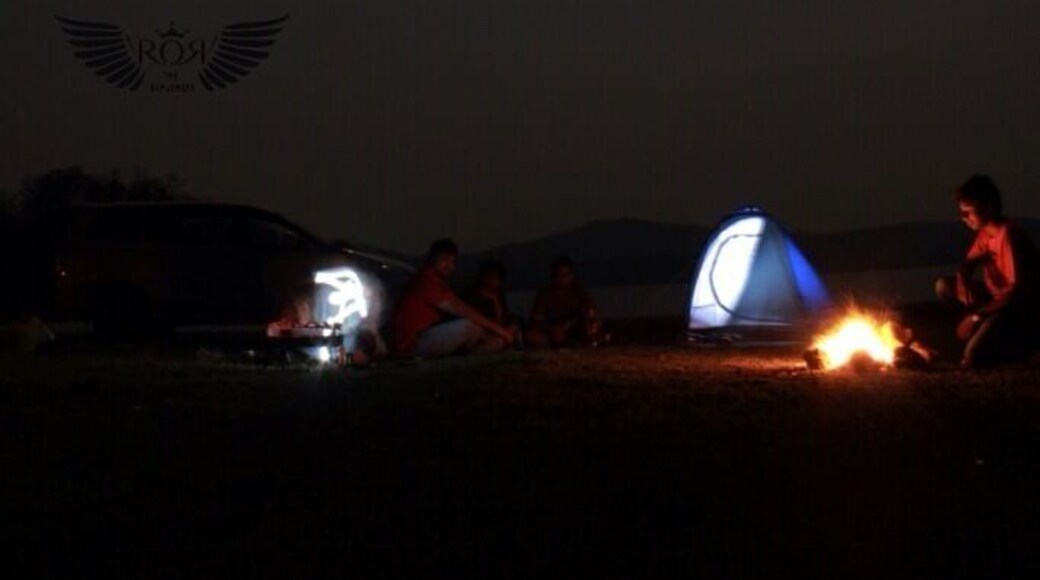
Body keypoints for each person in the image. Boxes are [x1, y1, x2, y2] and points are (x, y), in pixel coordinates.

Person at [935, 174, 1040, 367]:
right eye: (962, 213)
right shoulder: (985, 233)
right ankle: (980, 332)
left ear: (988, 207)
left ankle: (1021, 346)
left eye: (969, 212)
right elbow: (969, 261)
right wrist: (963, 275)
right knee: (944, 286)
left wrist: (976, 316)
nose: (964, 218)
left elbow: (1014, 295)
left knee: (973, 357)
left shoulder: (1008, 235)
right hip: (996, 302)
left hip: (1018, 311)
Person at [391, 239, 515, 357]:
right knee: (470, 326)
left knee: (485, 332)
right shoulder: (425, 280)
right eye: (445, 260)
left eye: (452, 262)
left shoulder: (439, 282)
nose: (449, 266)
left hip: (427, 335)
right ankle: (471, 354)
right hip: (413, 343)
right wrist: (500, 330)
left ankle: (478, 351)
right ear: (433, 259)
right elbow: (461, 309)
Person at [525, 256, 602, 347]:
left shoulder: (579, 292)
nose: (562, 279)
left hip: (572, 330)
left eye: (566, 275)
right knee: (532, 336)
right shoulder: (544, 294)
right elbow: (537, 320)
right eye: (559, 275)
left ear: (571, 276)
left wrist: (570, 325)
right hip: (551, 331)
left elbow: (591, 313)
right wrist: (551, 329)